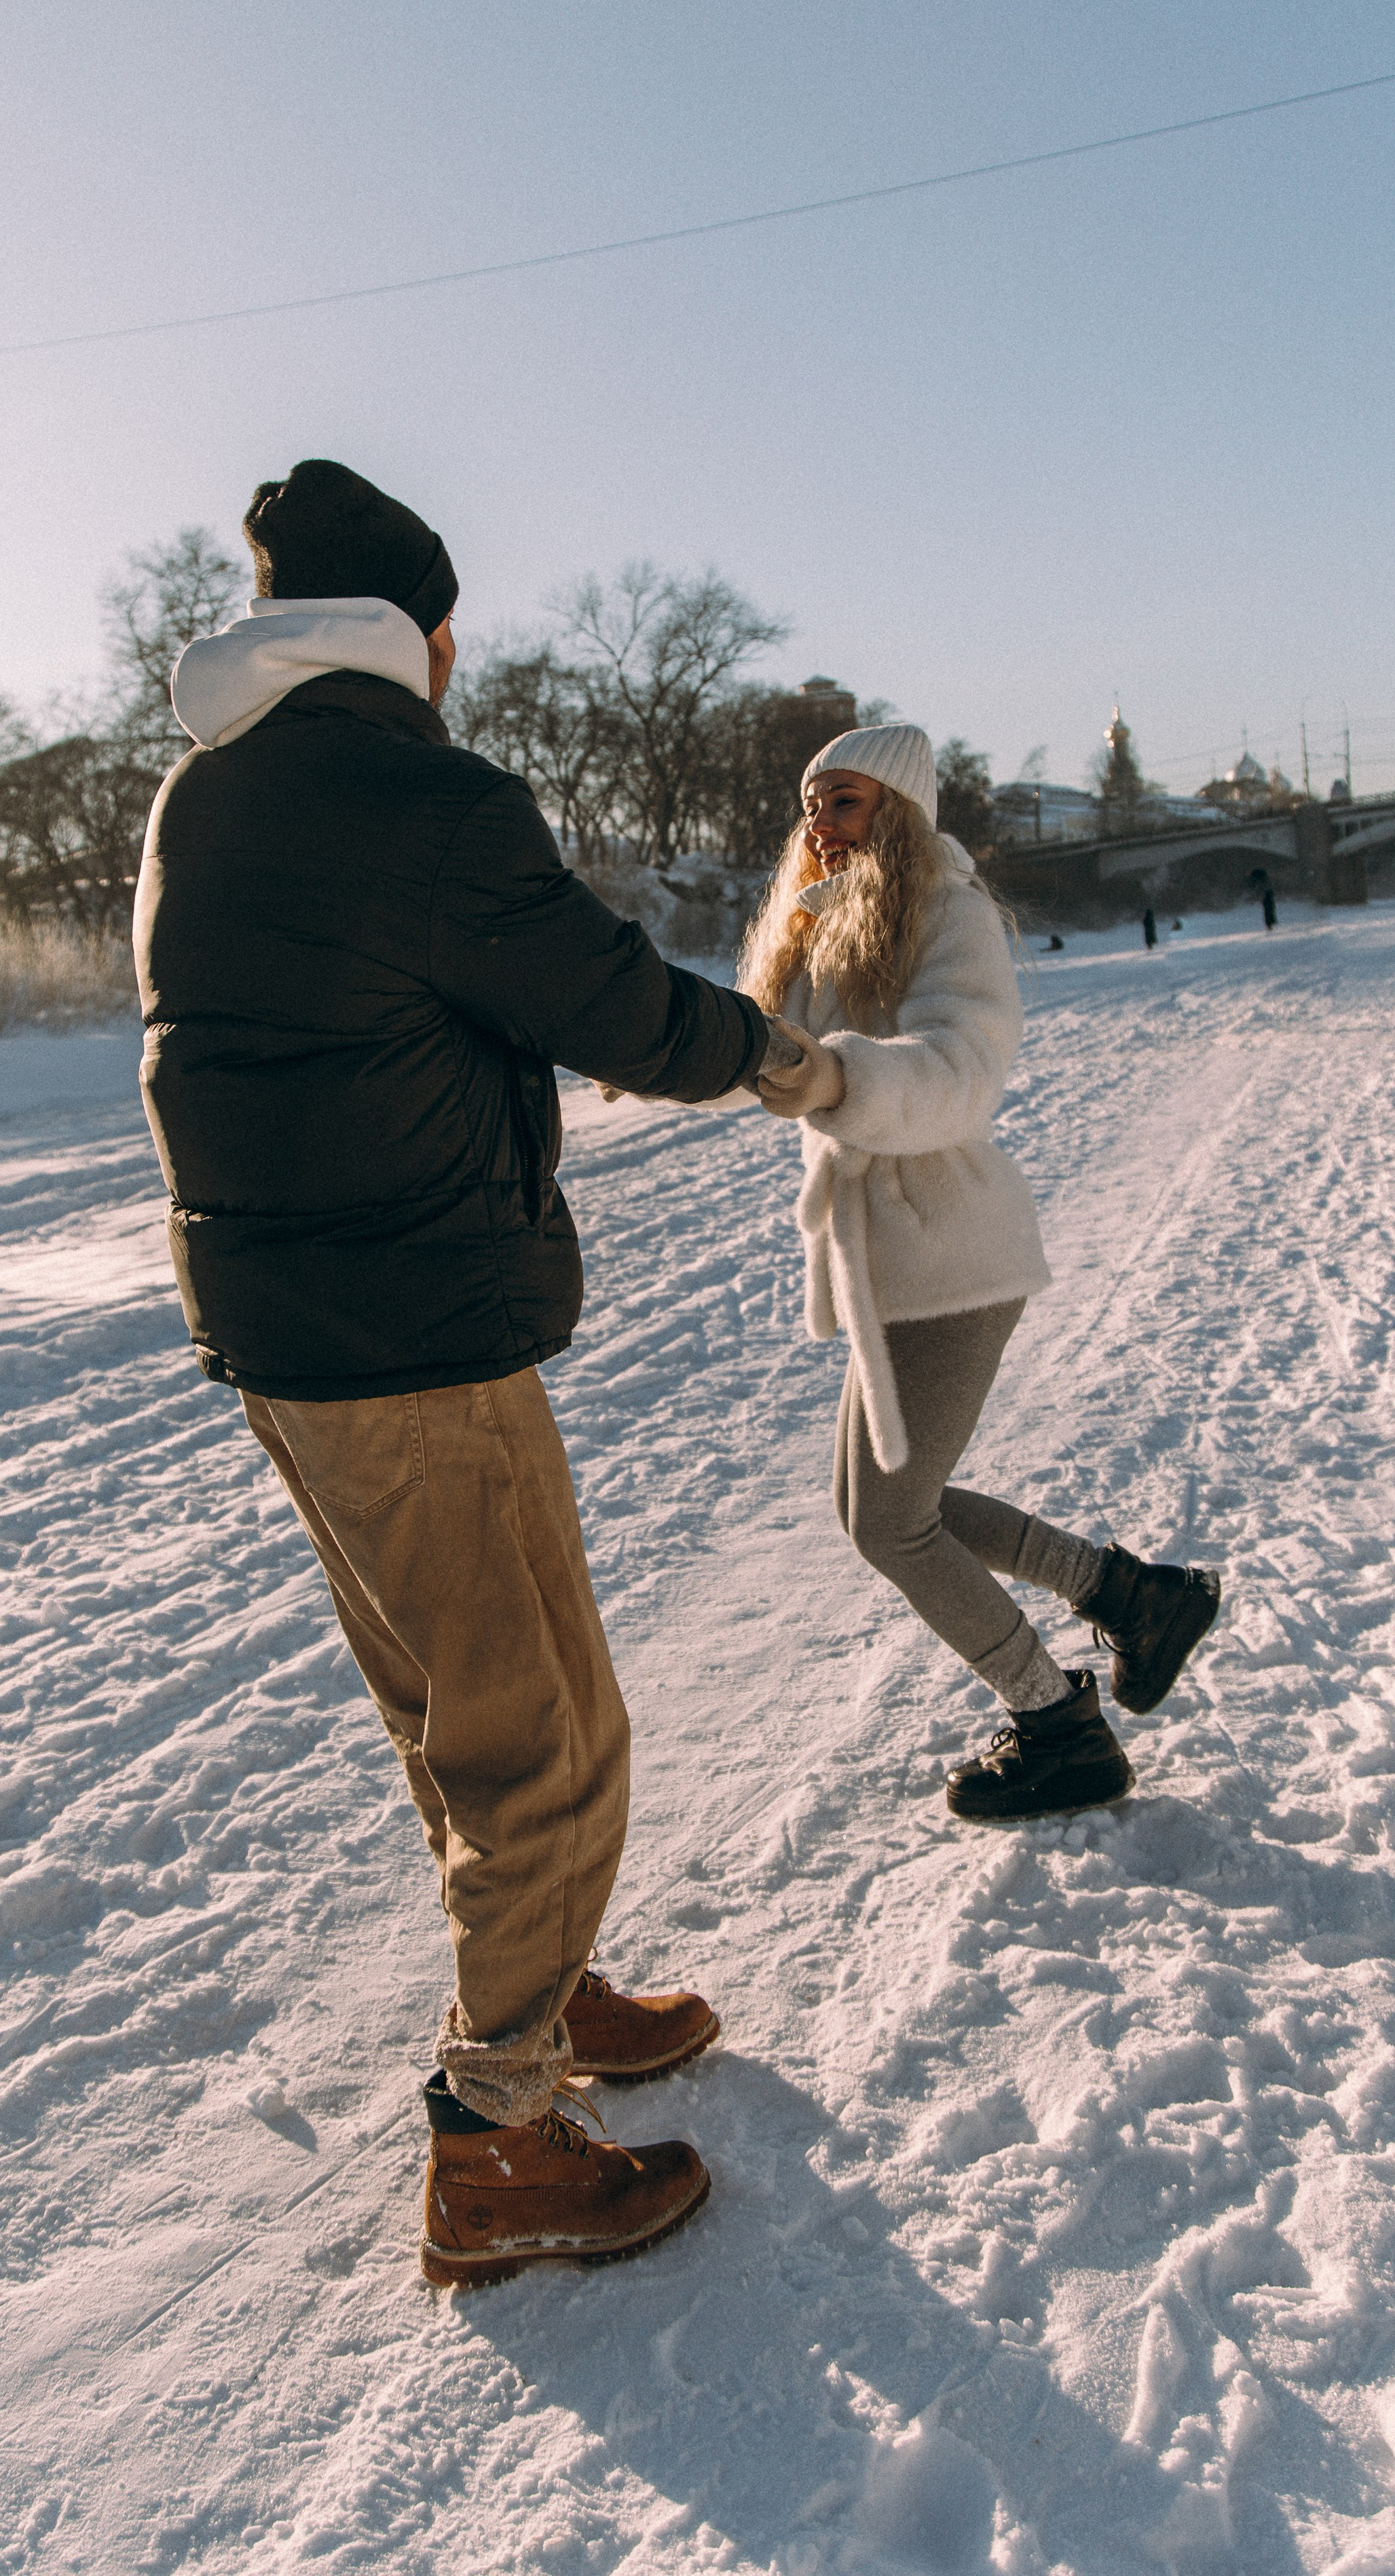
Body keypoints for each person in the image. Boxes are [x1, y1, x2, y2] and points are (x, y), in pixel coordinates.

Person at [133, 459, 800, 2286]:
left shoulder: (210, 793)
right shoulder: (418, 794)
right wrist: (777, 1052)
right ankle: (499, 2135)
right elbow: (616, 1007)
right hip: (413, 1340)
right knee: (551, 1740)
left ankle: (547, 1982)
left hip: (292, 1346)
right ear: (420, 635)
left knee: (459, 1716)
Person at [737, 725, 1221, 1821]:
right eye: (814, 803)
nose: (823, 821)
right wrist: (666, 1048)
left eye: (847, 801)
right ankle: (1132, 1597)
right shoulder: (823, 920)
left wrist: (828, 1073)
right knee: (889, 1504)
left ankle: (1060, 1726)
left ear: (901, 810)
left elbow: (960, 1072)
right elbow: (770, 1060)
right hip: (888, 1263)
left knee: (886, 1520)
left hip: (953, 1253)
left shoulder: (948, 913)